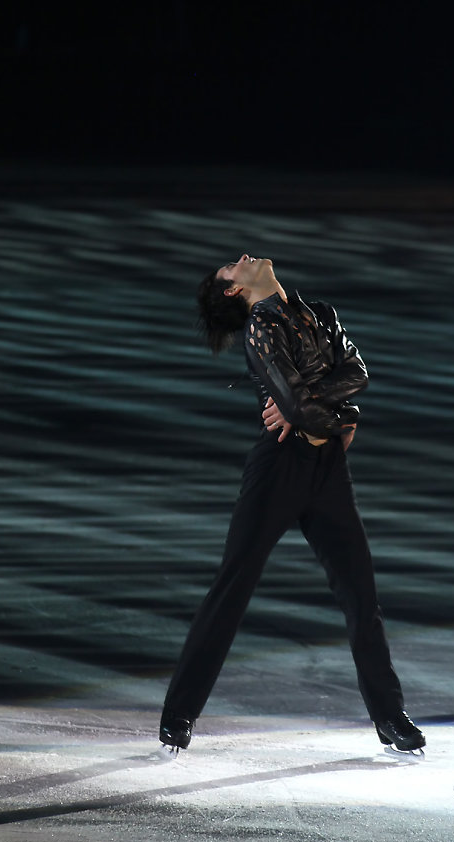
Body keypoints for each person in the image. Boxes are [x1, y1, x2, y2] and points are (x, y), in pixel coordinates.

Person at [159, 254, 424, 753]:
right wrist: (340, 419)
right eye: (230, 271)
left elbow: (357, 372)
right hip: (278, 468)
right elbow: (298, 410)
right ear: (236, 293)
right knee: (233, 587)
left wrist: (342, 409)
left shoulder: (318, 311)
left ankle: (390, 718)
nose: (240, 260)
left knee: (361, 597)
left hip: (327, 473)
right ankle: (178, 714)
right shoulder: (262, 330)